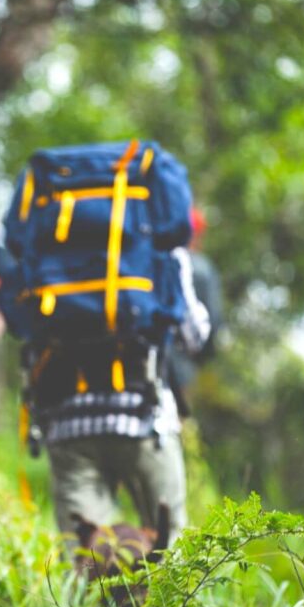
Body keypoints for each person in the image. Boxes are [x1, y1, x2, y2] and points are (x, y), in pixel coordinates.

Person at [36, 247, 210, 547]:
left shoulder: (53, 235)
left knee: (85, 560)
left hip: (68, 421)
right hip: (143, 416)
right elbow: (194, 335)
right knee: (171, 555)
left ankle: (94, 592)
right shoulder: (157, 241)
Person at [166, 207, 224, 417]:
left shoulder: (155, 258)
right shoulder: (202, 269)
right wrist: (200, 360)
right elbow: (214, 324)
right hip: (183, 368)